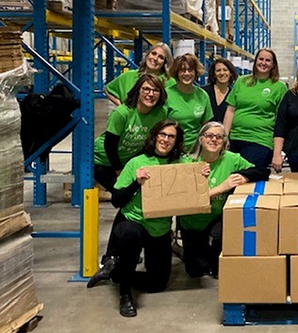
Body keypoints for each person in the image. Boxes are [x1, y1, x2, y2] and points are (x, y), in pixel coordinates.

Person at [87, 119, 186, 318]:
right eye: (162, 135)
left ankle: (115, 271)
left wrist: (201, 174)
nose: (166, 140)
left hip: (159, 227)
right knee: (130, 235)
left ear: (177, 141)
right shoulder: (136, 162)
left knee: (157, 284)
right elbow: (117, 200)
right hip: (134, 221)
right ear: (155, 136)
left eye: (171, 137)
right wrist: (136, 183)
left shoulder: (181, 164)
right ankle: (125, 295)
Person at [178, 122, 270, 278]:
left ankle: (214, 254)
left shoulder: (231, 159)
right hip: (191, 221)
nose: (214, 140)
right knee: (195, 271)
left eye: (219, 137)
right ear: (200, 139)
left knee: (217, 270)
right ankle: (185, 250)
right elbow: (188, 201)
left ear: (224, 142)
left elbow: (262, 171)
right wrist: (222, 187)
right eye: (209, 136)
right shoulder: (186, 163)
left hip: (215, 217)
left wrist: (244, 176)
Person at [94, 73, 168, 194]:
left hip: (128, 160)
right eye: (146, 89)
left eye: (155, 90)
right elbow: (110, 145)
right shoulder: (122, 113)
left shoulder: (160, 114)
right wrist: (119, 172)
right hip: (103, 160)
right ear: (138, 91)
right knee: (122, 194)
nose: (150, 94)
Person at [223, 48, 287, 168]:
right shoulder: (242, 81)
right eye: (261, 59)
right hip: (235, 138)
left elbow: (281, 121)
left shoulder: (279, 87)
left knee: (243, 173)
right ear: (255, 60)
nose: (263, 62)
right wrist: (224, 137)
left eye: (268, 60)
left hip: (260, 140)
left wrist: (277, 153)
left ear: (273, 65)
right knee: (226, 173)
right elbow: (231, 110)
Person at [166, 53, 213, 151]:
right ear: (176, 73)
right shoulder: (167, 94)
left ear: (196, 72)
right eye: (182, 70)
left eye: (190, 70)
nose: (187, 73)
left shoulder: (202, 95)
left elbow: (205, 126)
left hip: (195, 149)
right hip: (170, 148)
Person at [104, 42, 175, 106]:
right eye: (153, 53)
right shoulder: (128, 76)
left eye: (161, 57)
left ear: (165, 62)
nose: (155, 58)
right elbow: (108, 89)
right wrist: (121, 107)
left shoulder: (169, 82)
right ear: (147, 54)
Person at [202, 58, 238, 123]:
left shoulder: (233, 94)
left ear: (231, 73)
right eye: (218, 70)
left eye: (225, 70)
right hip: (205, 131)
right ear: (214, 74)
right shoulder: (204, 92)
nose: (222, 73)